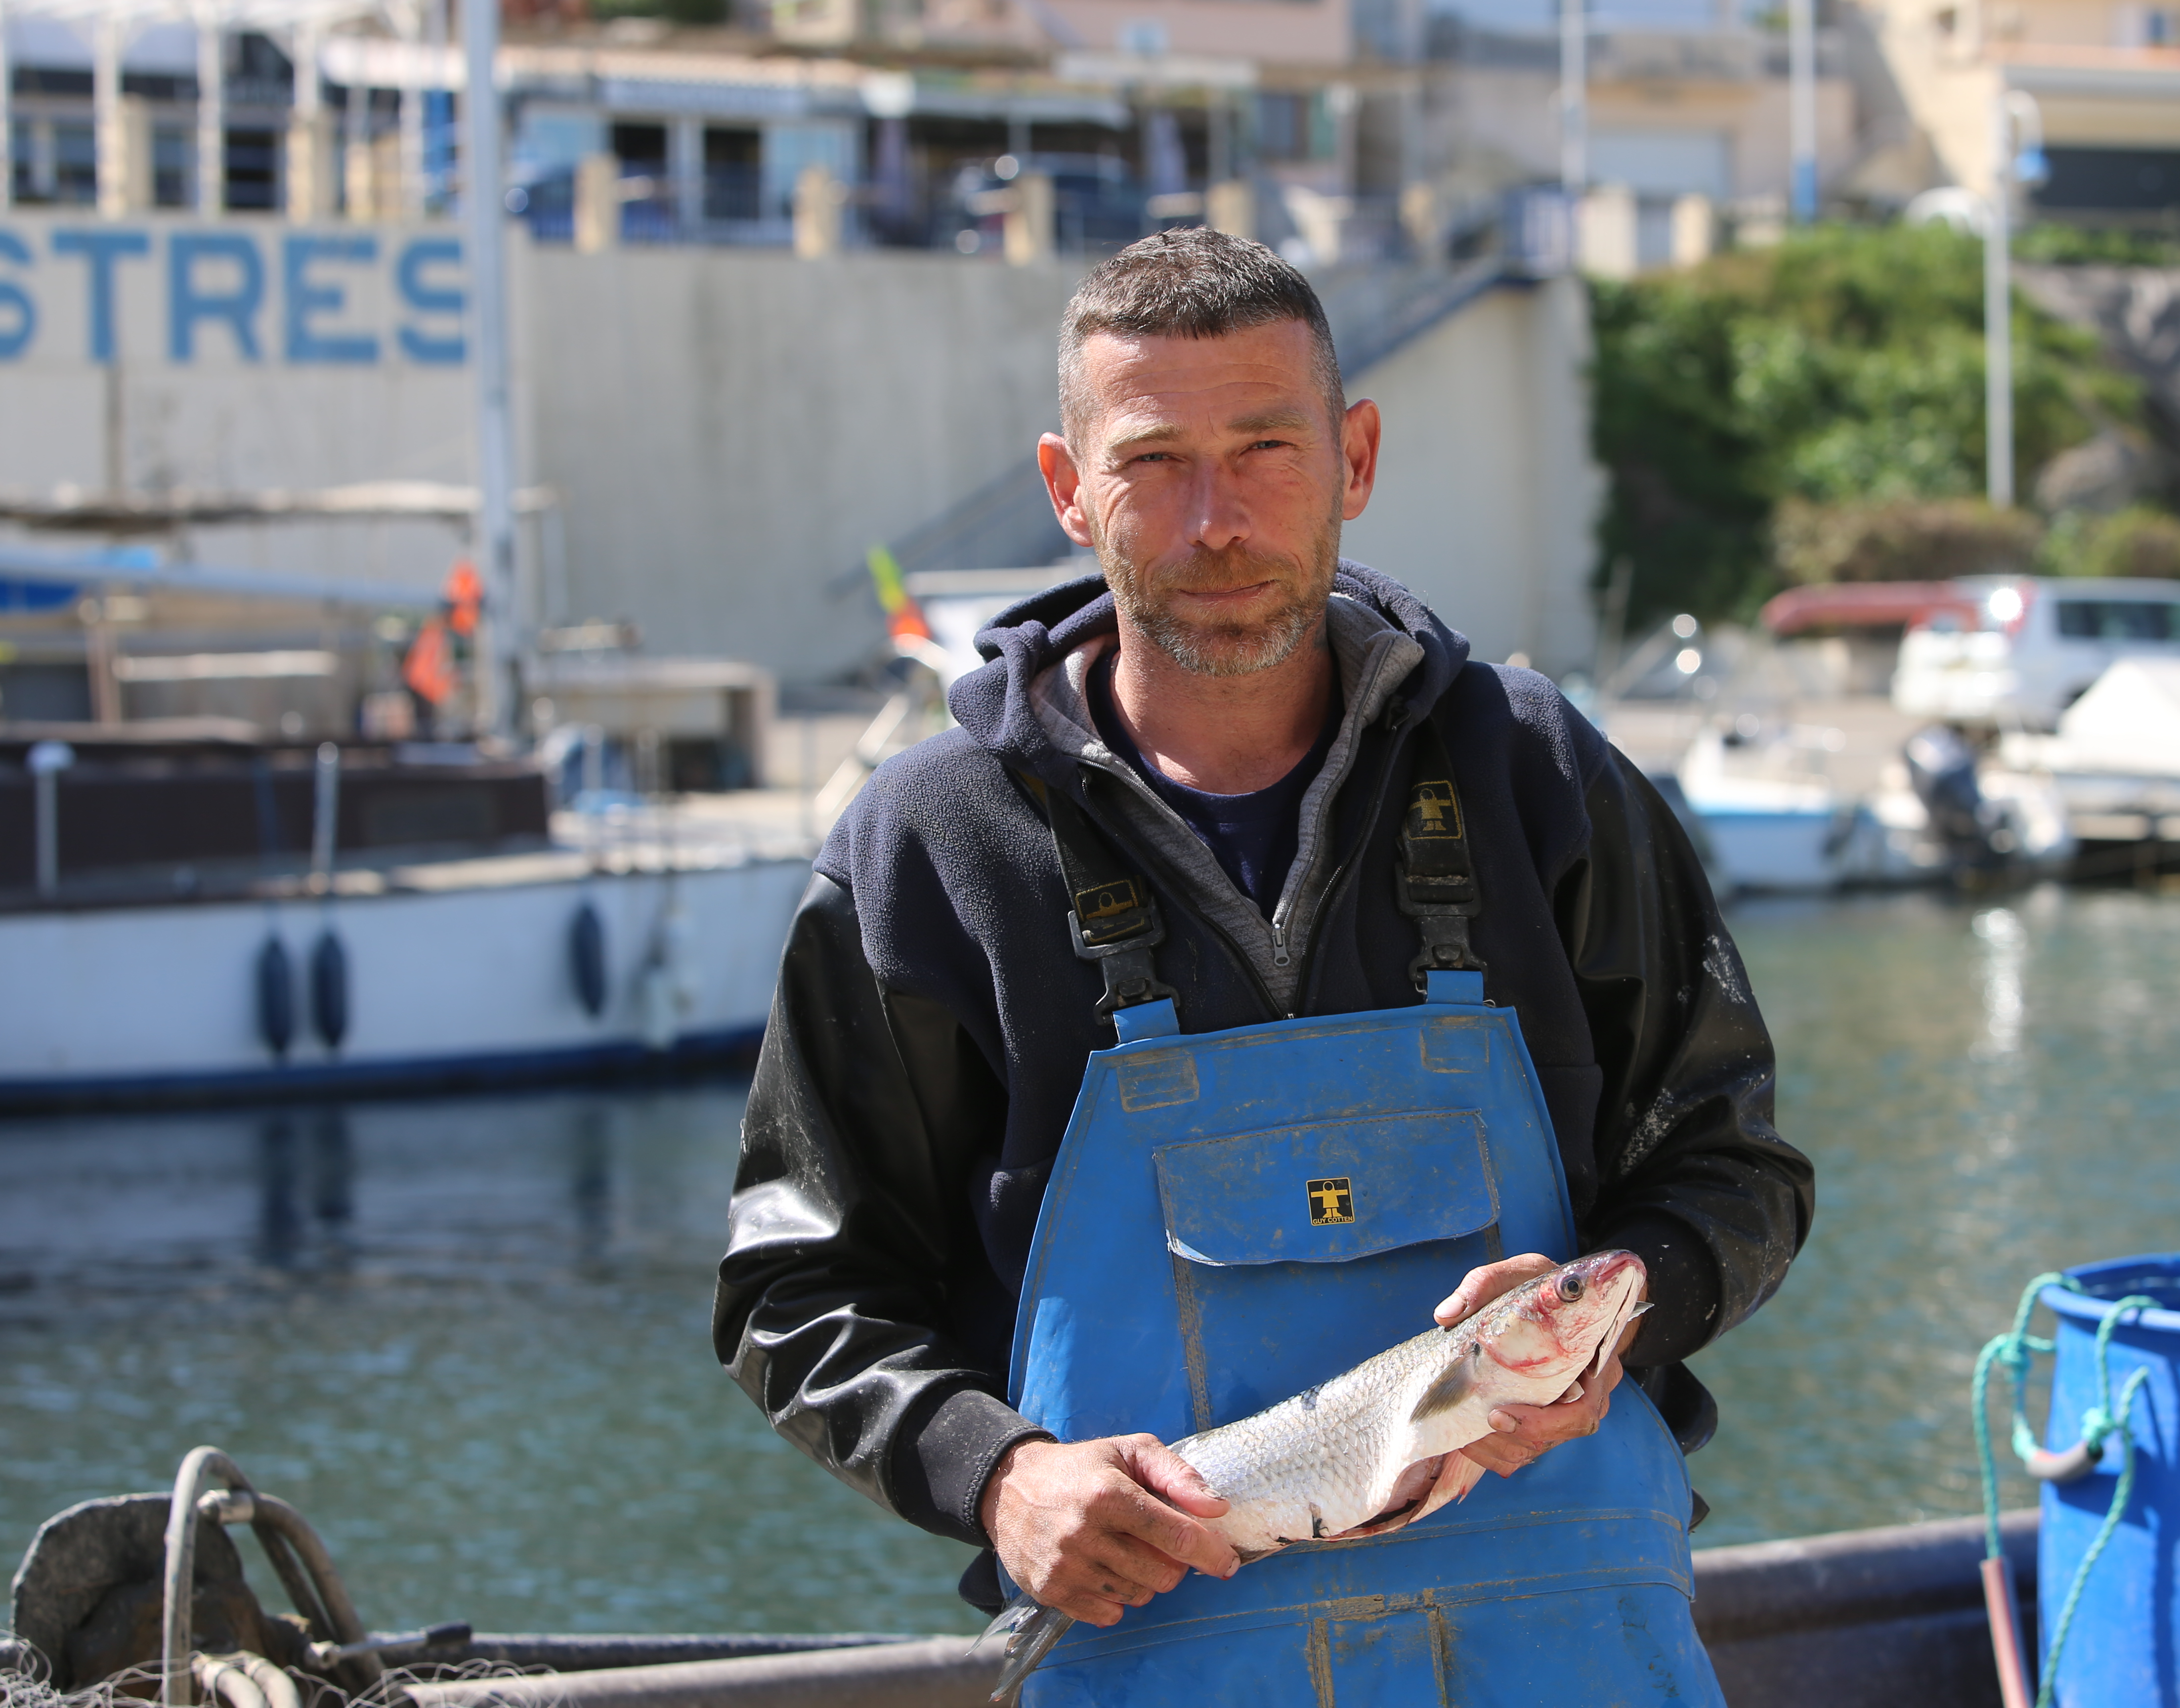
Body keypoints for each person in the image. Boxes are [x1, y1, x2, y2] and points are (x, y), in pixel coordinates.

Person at [714, 227, 1813, 1703]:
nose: (1217, 520)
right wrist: (996, 1476)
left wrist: (1632, 1292)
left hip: (1572, 1647)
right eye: (1155, 461)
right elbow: (796, 1285)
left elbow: (1736, 1166)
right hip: (1156, 1653)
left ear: (1354, 459)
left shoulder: (1539, 772)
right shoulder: (930, 848)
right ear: (1068, 489)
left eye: (1267, 449)